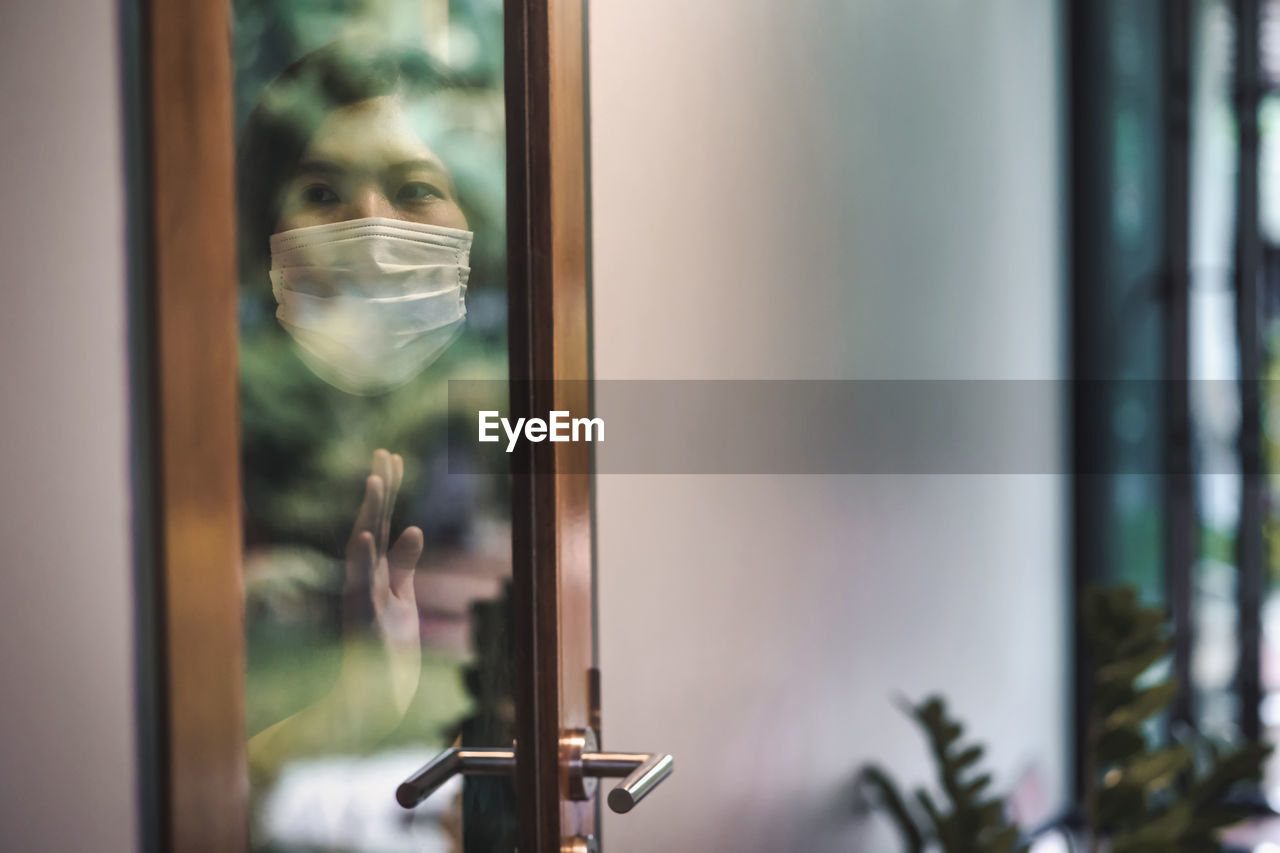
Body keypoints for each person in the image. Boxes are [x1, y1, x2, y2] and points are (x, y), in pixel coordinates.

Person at [236, 39, 481, 791]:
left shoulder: (512, 399)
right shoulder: (206, 411)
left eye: (412, 191)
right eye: (320, 191)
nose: (370, 228)